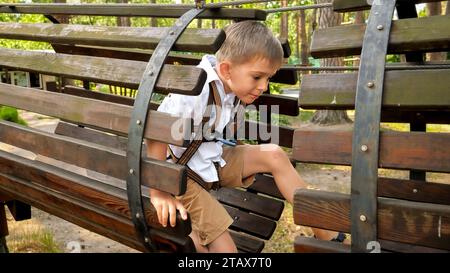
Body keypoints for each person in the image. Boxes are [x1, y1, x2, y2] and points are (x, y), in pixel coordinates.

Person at [146, 20, 340, 253]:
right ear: (227, 69)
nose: (263, 87)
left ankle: (328, 238)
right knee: (226, 250)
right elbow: (155, 132)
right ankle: (197, 233)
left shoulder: (233, 88)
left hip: (210, 160)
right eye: (257, 77)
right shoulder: (195, 88)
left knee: (274, 155)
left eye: (268, 78)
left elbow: (219, 134)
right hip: (180, 174)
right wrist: (160, 192)